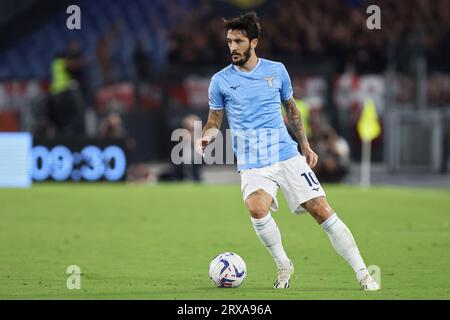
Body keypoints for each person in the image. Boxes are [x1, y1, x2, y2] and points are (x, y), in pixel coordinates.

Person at [195, 12, 379, 290]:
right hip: (252, 161)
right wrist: (207, 136)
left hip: (285, 153)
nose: (232, 47)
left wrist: (304, 145)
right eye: (229, 41)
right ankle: (283, 264)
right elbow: (214, 119)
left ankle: (363, 273)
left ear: (253, 42)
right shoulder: (220, 80)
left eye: (238, 41)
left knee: (322, 210)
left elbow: (291, 109)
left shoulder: (276, 70)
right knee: (256, 208)